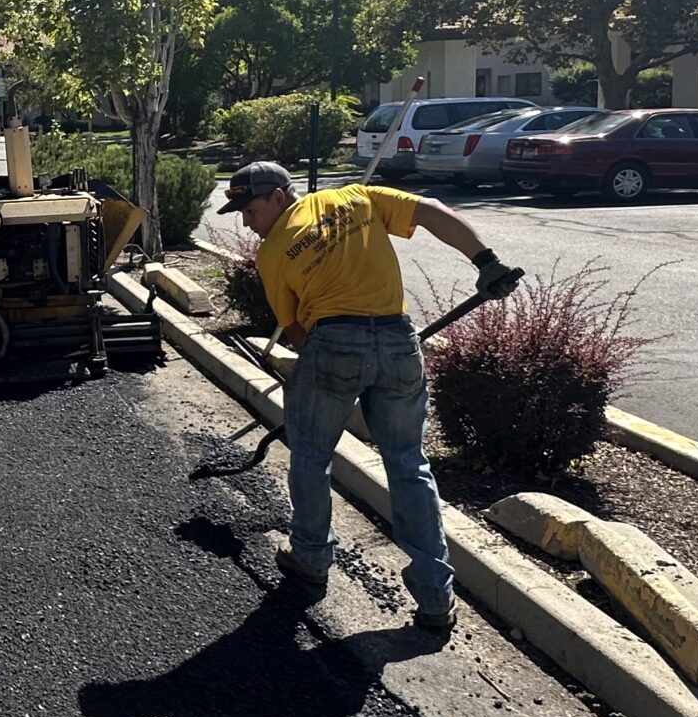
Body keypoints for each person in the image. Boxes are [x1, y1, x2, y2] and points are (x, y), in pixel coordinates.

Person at [216, 160, 520, 637]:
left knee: (311, 455)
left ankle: (311, 558)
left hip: (332, 343)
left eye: (250, 210)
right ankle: (435, 596)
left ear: (278, 196)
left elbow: (296, 331)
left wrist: (326, 374)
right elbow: (431, 211)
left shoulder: (274, 252)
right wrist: (486, 261)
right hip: (399, 342)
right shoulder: (356, 198)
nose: (247, 222)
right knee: (408, 464)